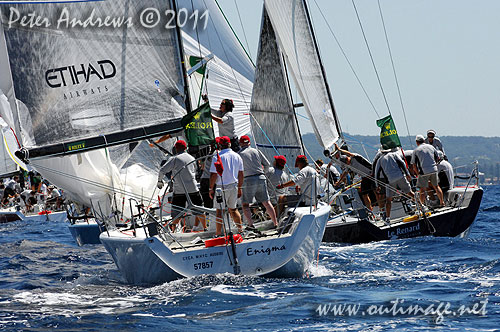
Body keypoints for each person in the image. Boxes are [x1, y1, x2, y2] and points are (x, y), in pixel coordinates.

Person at [157, 140, 206, 232]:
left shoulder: (174, 159)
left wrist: (159, 181)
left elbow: (162, 170)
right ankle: (205, 228)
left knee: (177, 212)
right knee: (199, 210)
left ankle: (173, 232)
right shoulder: (191, 158)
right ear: (185, 148)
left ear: (176, 148)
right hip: (193, 188)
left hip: (180, 190)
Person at [238, 135, 278, 227]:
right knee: (266, 202)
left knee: (245, 205)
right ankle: (275, 223)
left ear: (240, 143)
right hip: (260, 177)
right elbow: (267, 164)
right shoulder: (256, 151)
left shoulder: (239, 154)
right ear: (249, 142)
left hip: (248, 179)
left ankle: (251, 225)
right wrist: (263, 173)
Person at [208, 136, 244, 236]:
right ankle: (241, 230)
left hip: (221, 187)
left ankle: (218, 234)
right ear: (230, 144)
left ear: (219, 145)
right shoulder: (237, 156)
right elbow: (241, 174)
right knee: (233, 209)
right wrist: (240, 188)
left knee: (220, 211)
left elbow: (214, 175)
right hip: (234, 186)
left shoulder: (217, 156)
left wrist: (211, 188)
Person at [332, 143, 376, 211]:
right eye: (346, 164)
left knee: (376, 191)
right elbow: (345, 173)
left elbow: (349, 153)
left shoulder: (355, 157)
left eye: (347, 163)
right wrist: (338, 182)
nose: (348, 164)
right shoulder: (349, 165)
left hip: (372, 174)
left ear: (347, 159)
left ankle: (381, 209)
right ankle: (370, 210)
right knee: (364, 195)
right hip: (364, 178)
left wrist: (339, 149)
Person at [375, 149, 414, 221]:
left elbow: (376, 173)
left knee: (388, 200)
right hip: (400, 176)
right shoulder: (394, 154)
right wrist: (408, 174)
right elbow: (402, 163)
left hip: (390, 180)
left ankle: (388, 218)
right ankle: (421, 206)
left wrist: (377, 185)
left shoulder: (380, 160)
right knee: (410, 193)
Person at [411, 134, 444, 207]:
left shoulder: (416, 150)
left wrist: (417, 174)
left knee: (422, 189)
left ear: (417, 142)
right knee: (436, 186)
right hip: (434, 170)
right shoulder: (431, 147)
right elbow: (438, 158)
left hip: (423, 172)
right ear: (424, 140)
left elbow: (414, 165)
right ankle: (442, 202)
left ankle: (421, 205)